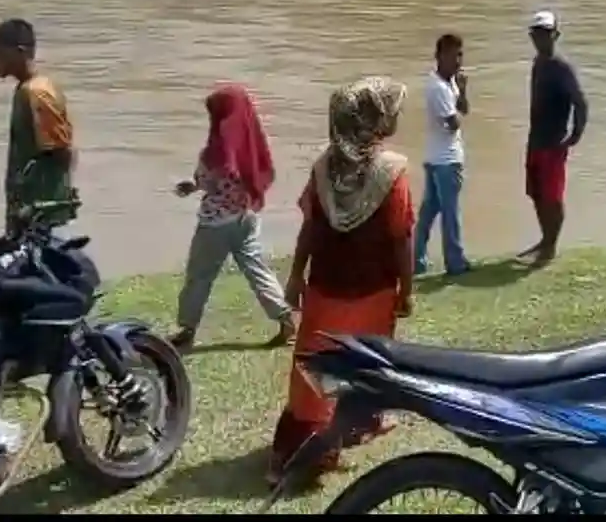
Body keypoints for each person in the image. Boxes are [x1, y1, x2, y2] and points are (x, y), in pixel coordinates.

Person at [268, 76, 414, 487]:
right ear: (374, 120)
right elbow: (401, 237)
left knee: (313, 371)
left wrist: (295, 276)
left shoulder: (322, 169)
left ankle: (298, 451)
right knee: (364, 364)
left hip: (325, 288)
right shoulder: (392, 172)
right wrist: (407, 290)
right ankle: (346, 432)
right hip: (374, 290)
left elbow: (310, 228)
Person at [169, 84, 294, 351]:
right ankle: (284, 317)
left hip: (214, 224)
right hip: (245, 217)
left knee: (199, 276)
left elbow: (208, 179)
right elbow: (257, 175)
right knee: (256, 268)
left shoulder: (216, 150)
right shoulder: (252, 144)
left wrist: (194, 185)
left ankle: (187, 329)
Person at [0, 19, 76, 232]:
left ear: (20, 52)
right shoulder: (26, 89)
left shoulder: (38, 93)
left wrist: (46, 203)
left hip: (40, 214)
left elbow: (62, 151)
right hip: (29, 209)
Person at [518, 11, 587, 266]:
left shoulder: (561, 68)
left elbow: (580, 102)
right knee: (536, 194)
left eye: (546, 33)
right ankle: (545, 239)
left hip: (553, 143)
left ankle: (550, 246)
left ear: (556, 35)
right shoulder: (538, 63)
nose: (541, 38)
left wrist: (576, 133)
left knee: (552, 198)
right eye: (537, 34)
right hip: (535, 140)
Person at [414, 34, 471, 276]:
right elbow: (453, 123)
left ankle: (416, 259)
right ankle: (455, 262)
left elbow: (464, 109)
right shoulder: (438, 87)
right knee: (450, 213)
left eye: (460, 55)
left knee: (428, 212)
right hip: (446, 161)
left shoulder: (449, 83)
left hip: (436, 158)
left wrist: (463, 91)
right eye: (452, 55)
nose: (457, 61)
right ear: (439, 57)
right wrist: (456, 109)